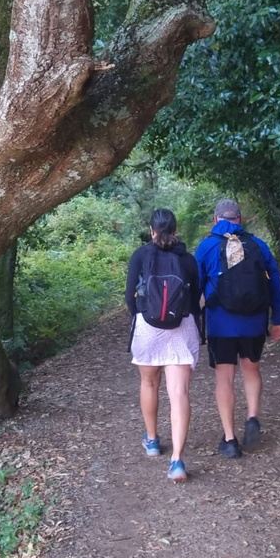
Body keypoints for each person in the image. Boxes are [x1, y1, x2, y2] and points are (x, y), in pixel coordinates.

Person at [194, 198, 280, 459]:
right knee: (251, 368)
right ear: (240, 218)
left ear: (216, 220)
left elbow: (195, 288)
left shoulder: (206, 247)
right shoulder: (258, 245)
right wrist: (278, 319)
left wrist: (192, 322)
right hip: (254, 321)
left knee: (225, 377)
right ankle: (253, 417)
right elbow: (275, 283)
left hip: (221, 324)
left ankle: (230, 439)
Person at [126, 207, 202, 483]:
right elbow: (196, 298)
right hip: (182, 327)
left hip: (148, 327)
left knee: (149, 384)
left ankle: (153, 440)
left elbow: (129, 296)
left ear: (152, 230)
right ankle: (177, 461)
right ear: (176, 229)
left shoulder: (140, 255)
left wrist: (142, 315)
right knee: (178, 393)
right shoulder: (188, 259)